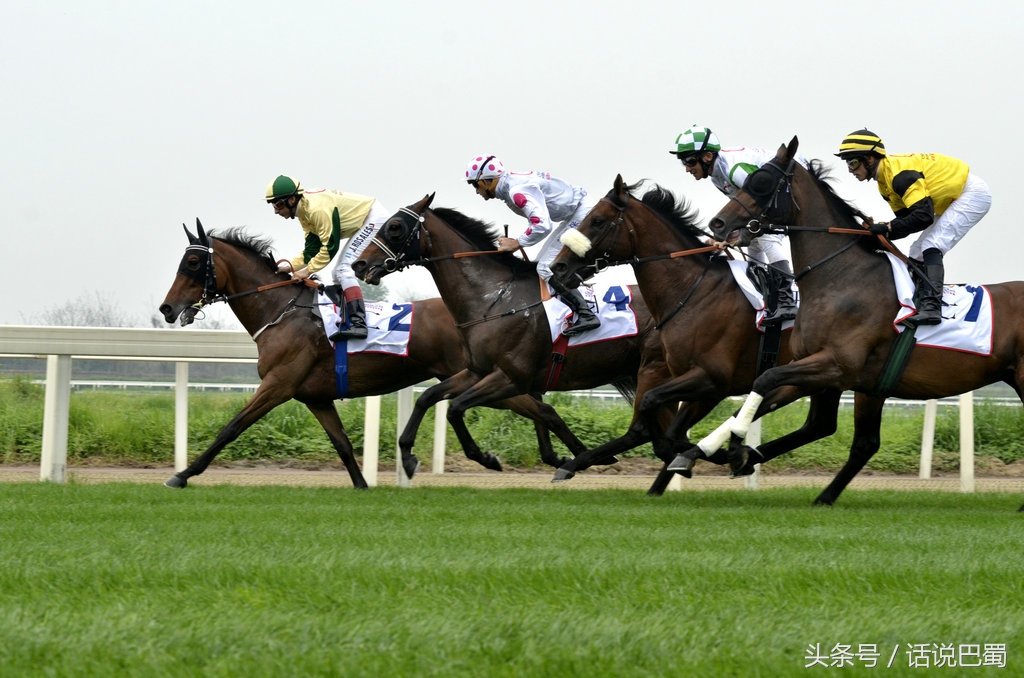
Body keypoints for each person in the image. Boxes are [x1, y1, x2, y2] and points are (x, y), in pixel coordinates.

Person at [835, 129, 992, 326]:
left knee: (932, 244)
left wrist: (886, 227)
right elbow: (907, 222)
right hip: (949, 200)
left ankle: (932, 307)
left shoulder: (899, 176)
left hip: (971, 194)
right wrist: (877, 234)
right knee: (916, 251)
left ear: (869, 158)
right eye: (848, 164)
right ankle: (920, 300)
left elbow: (923, 217)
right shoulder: (883, 183)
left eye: (853, 162)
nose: (850, 169)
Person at [669, 125, 801, 324]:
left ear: (707, 156)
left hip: (794, 183)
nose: (687, 168)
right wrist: (725, 235)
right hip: (776, 190)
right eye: (683, 163)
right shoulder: (715, 175)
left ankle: (786, 299)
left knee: (765, 236)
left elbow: (762, 202)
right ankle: (762, 292)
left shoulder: (734, 170)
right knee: (753, 241)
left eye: (689, 161)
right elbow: (743, 211)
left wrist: (730, 235)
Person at [464, 154, 600, 336]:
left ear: (486, 182)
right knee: (539, 265)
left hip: (582, 213)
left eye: (475, 185)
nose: (476, 191)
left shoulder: (515, 191)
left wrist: (517, 243)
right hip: (575, 212)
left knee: (545, 268)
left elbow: (542, 225)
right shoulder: (510, 185)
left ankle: (586, 314)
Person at [265, 174, 389, 341]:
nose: (275, 211)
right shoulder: (304, 211)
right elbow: (312, 249)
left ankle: (359, 324)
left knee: (344, 270)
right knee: (336, 274)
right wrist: (292, 267)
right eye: (273, 205)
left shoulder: (316, 210)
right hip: (366, 218)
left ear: (292, 200)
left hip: (373, 218)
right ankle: (347, 315)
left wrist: (306, 271)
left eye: (278, 204)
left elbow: (330, 247)